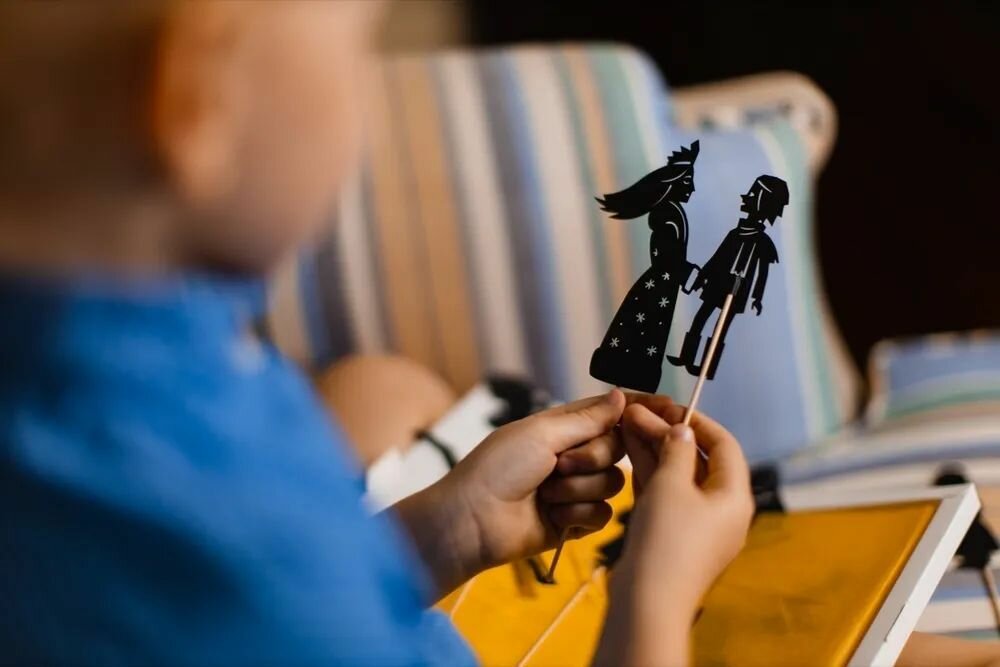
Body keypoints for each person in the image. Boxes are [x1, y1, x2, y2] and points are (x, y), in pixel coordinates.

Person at [0, 3, 994, 666]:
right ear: (195, 101)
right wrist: (655, 596)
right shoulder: (237, 556)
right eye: (360, 46)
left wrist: (446, 530)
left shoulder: (139, 370)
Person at [589, 142, 701, 393]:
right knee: (641, 333)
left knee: (649, 335)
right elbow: (666, 258)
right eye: (687, 181)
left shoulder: (674, 212)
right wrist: (693, 277)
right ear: (673, 181)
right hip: (658, 286)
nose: (692, 188)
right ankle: (624, 372)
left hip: (665, 287)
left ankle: (631, 375)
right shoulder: (665, 214)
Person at [668, 175, 788, 379]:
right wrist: (703, 276)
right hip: (718, 282)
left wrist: (757, 297)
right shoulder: (735, 233)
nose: (746, 197)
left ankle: (707, 367)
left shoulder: (762, 243)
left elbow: (762, 273)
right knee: (700, 317)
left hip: (737, 289)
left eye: (753, 194)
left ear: (763, 203)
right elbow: (717, 258)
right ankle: (686, 357)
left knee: (720, 328)